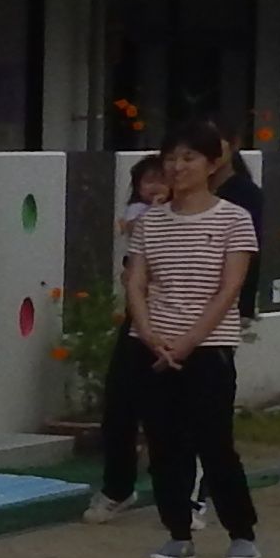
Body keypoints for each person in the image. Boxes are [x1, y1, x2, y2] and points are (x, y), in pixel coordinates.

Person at [126, 124, 262, 558]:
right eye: (171, 158)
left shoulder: (233, 218)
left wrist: (188, 341)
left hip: (208, 348)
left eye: (188, 158)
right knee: (164, 442)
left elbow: (231, 287)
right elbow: (137, 281)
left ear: (211, 164)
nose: (177, 167)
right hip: (154, 344)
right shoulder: (149, 221)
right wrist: (148, 333)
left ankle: (241, 530)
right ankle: (177, 531)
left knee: (214, 441)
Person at [75, 155, 171, 522]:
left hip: (183, 321)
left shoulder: (210, 215)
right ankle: (118, 487)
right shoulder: (141, 215)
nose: (160, 184)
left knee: (175, 413)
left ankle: (184, 496)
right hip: (138, 318)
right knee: (119, 403)